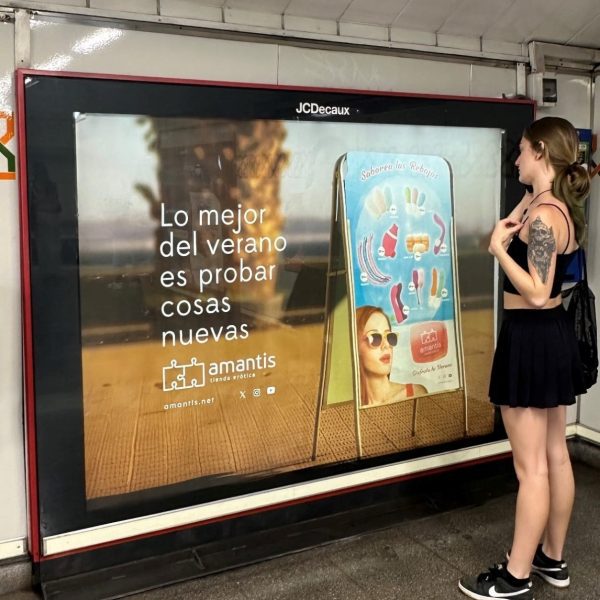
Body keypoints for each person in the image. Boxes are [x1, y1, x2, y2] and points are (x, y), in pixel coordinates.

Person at [458, 117, 590, 600]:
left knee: (530, 467)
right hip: (550, 335)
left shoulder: (543, 217)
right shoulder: (549, 204)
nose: (515, 159)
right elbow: (523, 216)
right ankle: (551, 558)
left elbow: (536, 291)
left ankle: (515, 577)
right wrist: (526, 195)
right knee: (554, 456)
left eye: (521, 151)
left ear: (540, 152)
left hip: (532, 335)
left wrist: (497, 249)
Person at [356, 305, 427, 406]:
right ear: (356, 346)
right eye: (375, 338)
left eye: (389, 336)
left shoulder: (415, 393)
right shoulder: (352, 408)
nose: (386, 345)